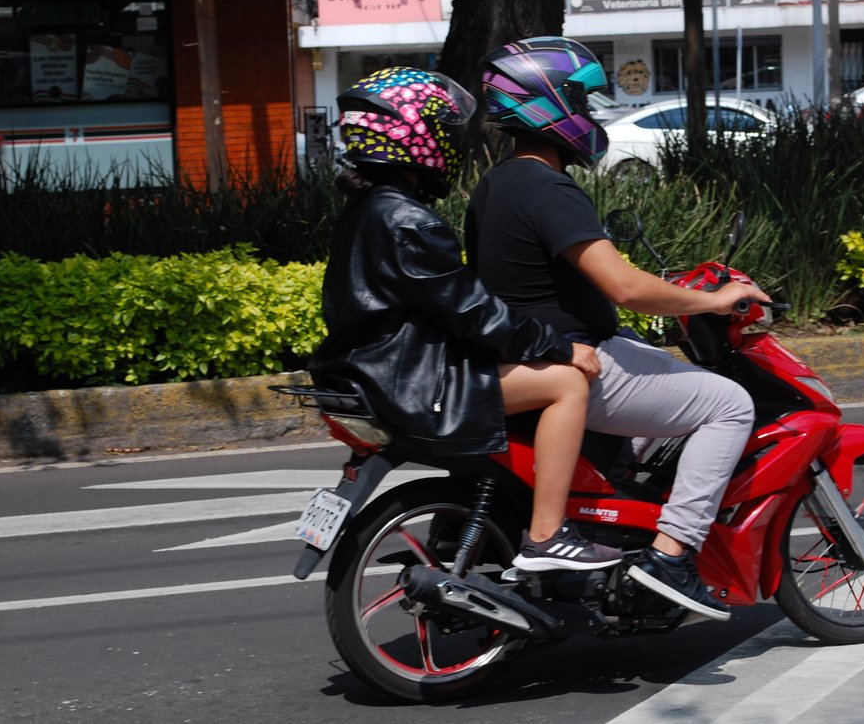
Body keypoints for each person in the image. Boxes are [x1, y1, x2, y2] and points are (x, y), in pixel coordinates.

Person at [466, 37, 772, 619]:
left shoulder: (496, 185)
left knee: (655, 365)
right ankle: (672, 553)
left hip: (527, 352)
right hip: (572, 360)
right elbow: (625, 288)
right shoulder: (550, 188)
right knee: (728, 404)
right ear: (550, 104)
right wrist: (715, 300)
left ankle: (621, 512)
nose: (589, 113)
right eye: (580, 99)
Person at [306, 66, 621, 573]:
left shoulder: (369, 209)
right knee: (565, 385)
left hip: (375, 372)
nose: (452, 141)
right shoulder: (407, 219)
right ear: (416, 136)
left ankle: (461, 526)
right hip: (410, 383)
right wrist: (561, 348)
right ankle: (547, 534)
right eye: (445, 130)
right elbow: (476, 312)